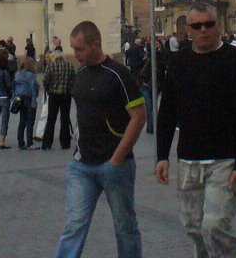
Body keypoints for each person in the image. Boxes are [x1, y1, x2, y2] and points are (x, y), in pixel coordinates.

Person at [156, 3, 236, 257]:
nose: (204, 30)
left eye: (209, 24)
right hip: (189, 160)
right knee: (193, 228)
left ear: (218, 25)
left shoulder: (235, 61)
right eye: (197, 26)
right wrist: (161, 155)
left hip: (224, 160)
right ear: (188, 30)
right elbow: (167, 111)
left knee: (214, 225)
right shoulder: (178, 62)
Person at [54, 20, 145, 258]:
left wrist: (117, 158)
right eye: (73, 49)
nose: (76, 54)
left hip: (114, 165)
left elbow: (138, 117)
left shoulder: (119, 74)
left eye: (80, 49)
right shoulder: (80, 74)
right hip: (82, 165)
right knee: (74, 225)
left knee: (125, 227)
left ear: (96, 44)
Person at [42, 50, 75, 151]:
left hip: (54, 94)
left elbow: (45, 80)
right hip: (66, 95)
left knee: (51, 119)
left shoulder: (51, 66)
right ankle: (65, 143)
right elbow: (73, 79)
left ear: (54, 57)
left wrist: (48, 89)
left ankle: (47, 143)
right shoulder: (69, 66)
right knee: (65, 119)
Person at [14, 56, 41, 150]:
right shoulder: (30, 75)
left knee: (22, 121)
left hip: (20, 98)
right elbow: (33, 88)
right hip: (29, 99)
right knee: (30, 121)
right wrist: (34, 100)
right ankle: (30, 143)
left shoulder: (18, 74)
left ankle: (20, 142)